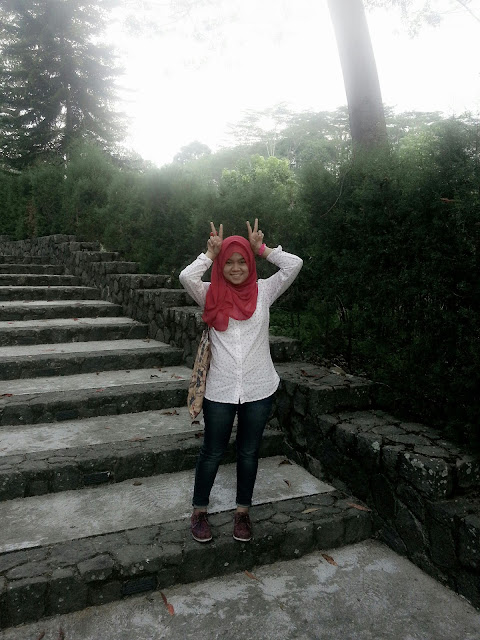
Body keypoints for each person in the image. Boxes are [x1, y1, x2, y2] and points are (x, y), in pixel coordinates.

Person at [179, 219, 303, 543]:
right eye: (229, 262)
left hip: (259, 387)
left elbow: (294, 265)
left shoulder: (264, 291)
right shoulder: (209, 293)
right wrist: (210, 254)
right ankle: (199, 511)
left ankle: (242, 513)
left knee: (249, 452)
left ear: (250, 263)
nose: (236, 268)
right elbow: (186, 277)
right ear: (222, 264)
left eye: (242, 261)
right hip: (219, 389)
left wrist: (263, 249)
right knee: (212, 451)